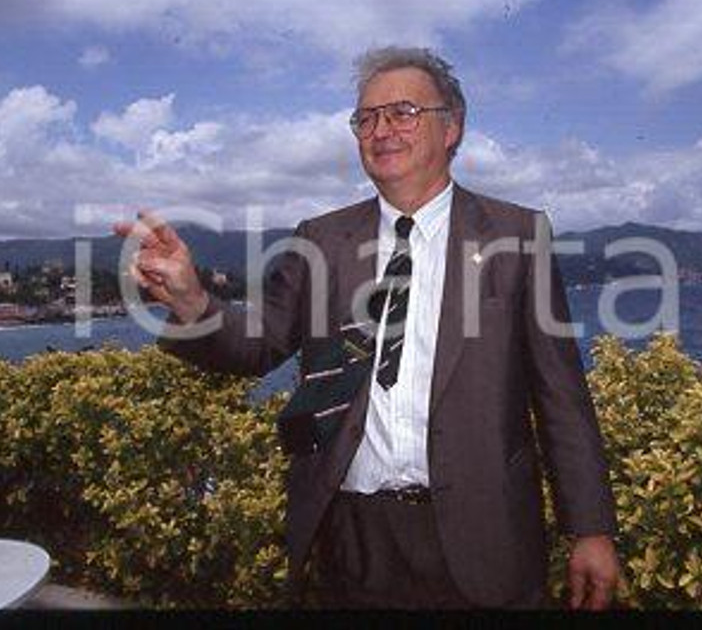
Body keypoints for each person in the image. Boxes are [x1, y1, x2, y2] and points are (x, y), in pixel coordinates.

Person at [114, 46, 620, 610]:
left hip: (486, 536)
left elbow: (561, 396)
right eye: (366, 118)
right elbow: (256, 343)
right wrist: (189, 298)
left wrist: (591, 528)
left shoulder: (518, 235)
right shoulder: (320, 240)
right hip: (351, 539)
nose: (381, 130)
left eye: (403, 112)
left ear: (451, 127)